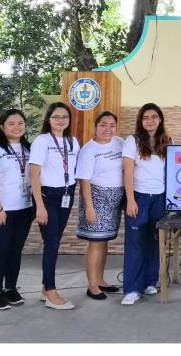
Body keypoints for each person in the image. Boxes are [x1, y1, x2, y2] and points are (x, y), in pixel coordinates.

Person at [0, 109, 34, 310]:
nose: (16, 127)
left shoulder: (29, 149)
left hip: (24, 208)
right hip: (0, 210)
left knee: (15, 251)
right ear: (2, 127)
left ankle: (11, 288)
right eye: (11, 123)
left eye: (20, 123)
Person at [29, 102, 80, 310]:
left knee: (54, 241)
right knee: (52, 243)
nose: (61, 120)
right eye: (56, 117)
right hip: (47, 196)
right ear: (48, 119)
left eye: (64, 117)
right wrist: (39, 206)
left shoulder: (73, 141)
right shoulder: (42, 141)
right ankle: (51, 292)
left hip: (66, 194)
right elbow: (33, 174)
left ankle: (44, 289)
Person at [121, 103, 171, 305]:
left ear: (160, 119)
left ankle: (150, 281)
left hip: (160, 197)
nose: (150, 121)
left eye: (154, 117)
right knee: (135, 244)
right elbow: (128, 171)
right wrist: (131, 199)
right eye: (145, 117)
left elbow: (171, 171)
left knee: (154, 241)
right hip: (139, 197)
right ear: (140, 121)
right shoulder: (132, 141)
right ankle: (132, 289)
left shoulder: (167, 141)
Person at [75, 112, 124, 300]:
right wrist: (89, 207)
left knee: (104, 241)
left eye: (112, 125)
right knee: (95, 242)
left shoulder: (120, 143)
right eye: (103, 125)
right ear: (95, 127)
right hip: (96, 197)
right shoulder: (89, 149)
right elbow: (85, 181)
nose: (108, 129)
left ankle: (101, 280)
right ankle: (92, 285)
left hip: (114, 198)